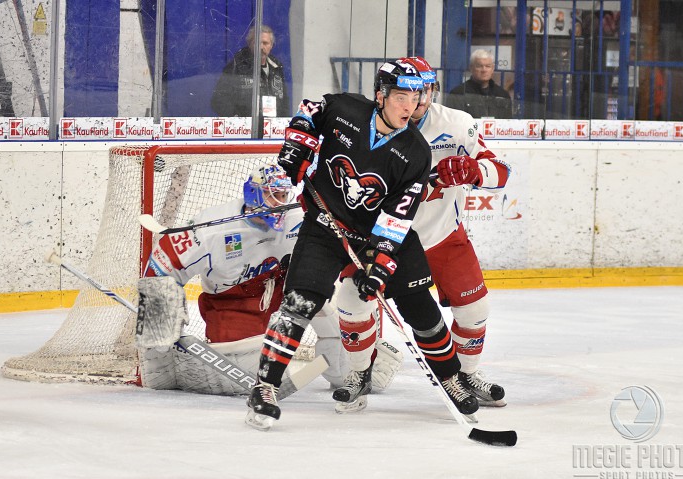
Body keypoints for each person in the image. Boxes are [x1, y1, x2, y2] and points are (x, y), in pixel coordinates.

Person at [245, 60, 479, 430]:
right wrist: (297, 145)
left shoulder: (415, 152)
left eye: (415, 97)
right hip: (325, 228)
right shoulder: (345, 110)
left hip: (378, 234)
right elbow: (310, 110)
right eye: (401, 96)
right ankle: (264, 388)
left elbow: (398, 216)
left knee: (419, 307)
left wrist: (381, 260)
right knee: (299, 303)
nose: (410, 106)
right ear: (380, 95)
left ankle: (451, 378)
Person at [136, 163, 402, 396]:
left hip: (286, 288)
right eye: (272, 195)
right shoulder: (213, 229)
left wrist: (359, 269)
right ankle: (174, 370)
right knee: (246, 377)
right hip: (232, 303)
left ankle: (352, 370)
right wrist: (160, 328)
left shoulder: (299, 217)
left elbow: (339, 248)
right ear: (253, 194)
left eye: (284, 195)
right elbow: (162, 267)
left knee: (333, 321)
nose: (280, 202)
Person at [402, 56, 511, 407]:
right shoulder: (374, 126)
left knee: (475, 309)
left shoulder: (458, 123)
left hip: (443, 235)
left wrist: (474, 171)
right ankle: (359, 372)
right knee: (353, 304)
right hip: (387, 240)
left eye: (425, 90)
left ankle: (464, 374)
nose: (418, 99)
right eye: (410, 92)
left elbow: (501, 171)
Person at [210, 25, 290, 118]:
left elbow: (284, 102)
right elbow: (218, 100)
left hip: (272, 125)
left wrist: (283, 123)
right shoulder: (236, 66)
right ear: (249, 44)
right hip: (247, 126)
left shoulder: (276, 68)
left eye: (265, 43)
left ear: (271, 45)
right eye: (257, 43)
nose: (261, 47)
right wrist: (239, 120)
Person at [446, 49, 512, 119]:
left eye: (488, 66)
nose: (484, 70)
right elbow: (453, 121)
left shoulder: (502, 95)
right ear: (471, 68)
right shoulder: (458, 93)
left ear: (492, 69)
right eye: (479, 66)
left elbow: (508, 122)